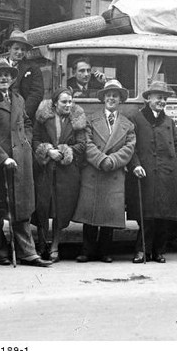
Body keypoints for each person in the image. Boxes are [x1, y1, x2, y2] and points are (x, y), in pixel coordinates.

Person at [0, 58, 52, 268]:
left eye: (7, 75)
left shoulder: (17, 99)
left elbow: (26, 122)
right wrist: (2, 157)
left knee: (22, 208)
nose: (4, 78)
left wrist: (24, 141)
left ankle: (28, 253)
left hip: (20, 162)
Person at [72, 79, 136, 263]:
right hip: (94, 170)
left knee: (109, 214)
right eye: (108, 95)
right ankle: (87, 250)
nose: (111, 98)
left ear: (120, 99)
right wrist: (101, 160)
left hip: (114, 172)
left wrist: (113, 160)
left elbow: (130, 147)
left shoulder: (128, 124)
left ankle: (105, 251)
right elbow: (87, 143)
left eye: (115, 95)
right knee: (90, 213)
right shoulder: (91, 119)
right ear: (103, 98)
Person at [127, 81, 177, 264]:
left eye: (165, 98)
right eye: (159, 97)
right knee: (147, 216)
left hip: (167, 174)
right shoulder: (137, 119)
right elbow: (130, 146)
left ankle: (159, 251)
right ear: (148, 98)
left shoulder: (169, 121)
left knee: (164, 216)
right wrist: (135, 164)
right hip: (145, 174)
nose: (162, 101)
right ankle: (142, 251)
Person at [32, 87, 87, 263]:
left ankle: (55, 245)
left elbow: (82, 144)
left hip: (66, 172)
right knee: (42, 207)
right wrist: (48, 151)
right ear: (55, 103)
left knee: (60, 210)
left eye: (70, 101)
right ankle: (41, 244)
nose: (68, 105)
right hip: (45, 170)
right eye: (64, 102)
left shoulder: (77, 120)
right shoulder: (43, 118)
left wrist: (64, 152)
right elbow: (35, 139)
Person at [3, 30, 43, 119]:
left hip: (23, 115)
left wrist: (24, 114)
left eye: (23, 49)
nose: (20, 52)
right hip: (1, 114)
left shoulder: (33, 68)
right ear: (9, 49)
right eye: (16, 48)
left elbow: (36, 94)